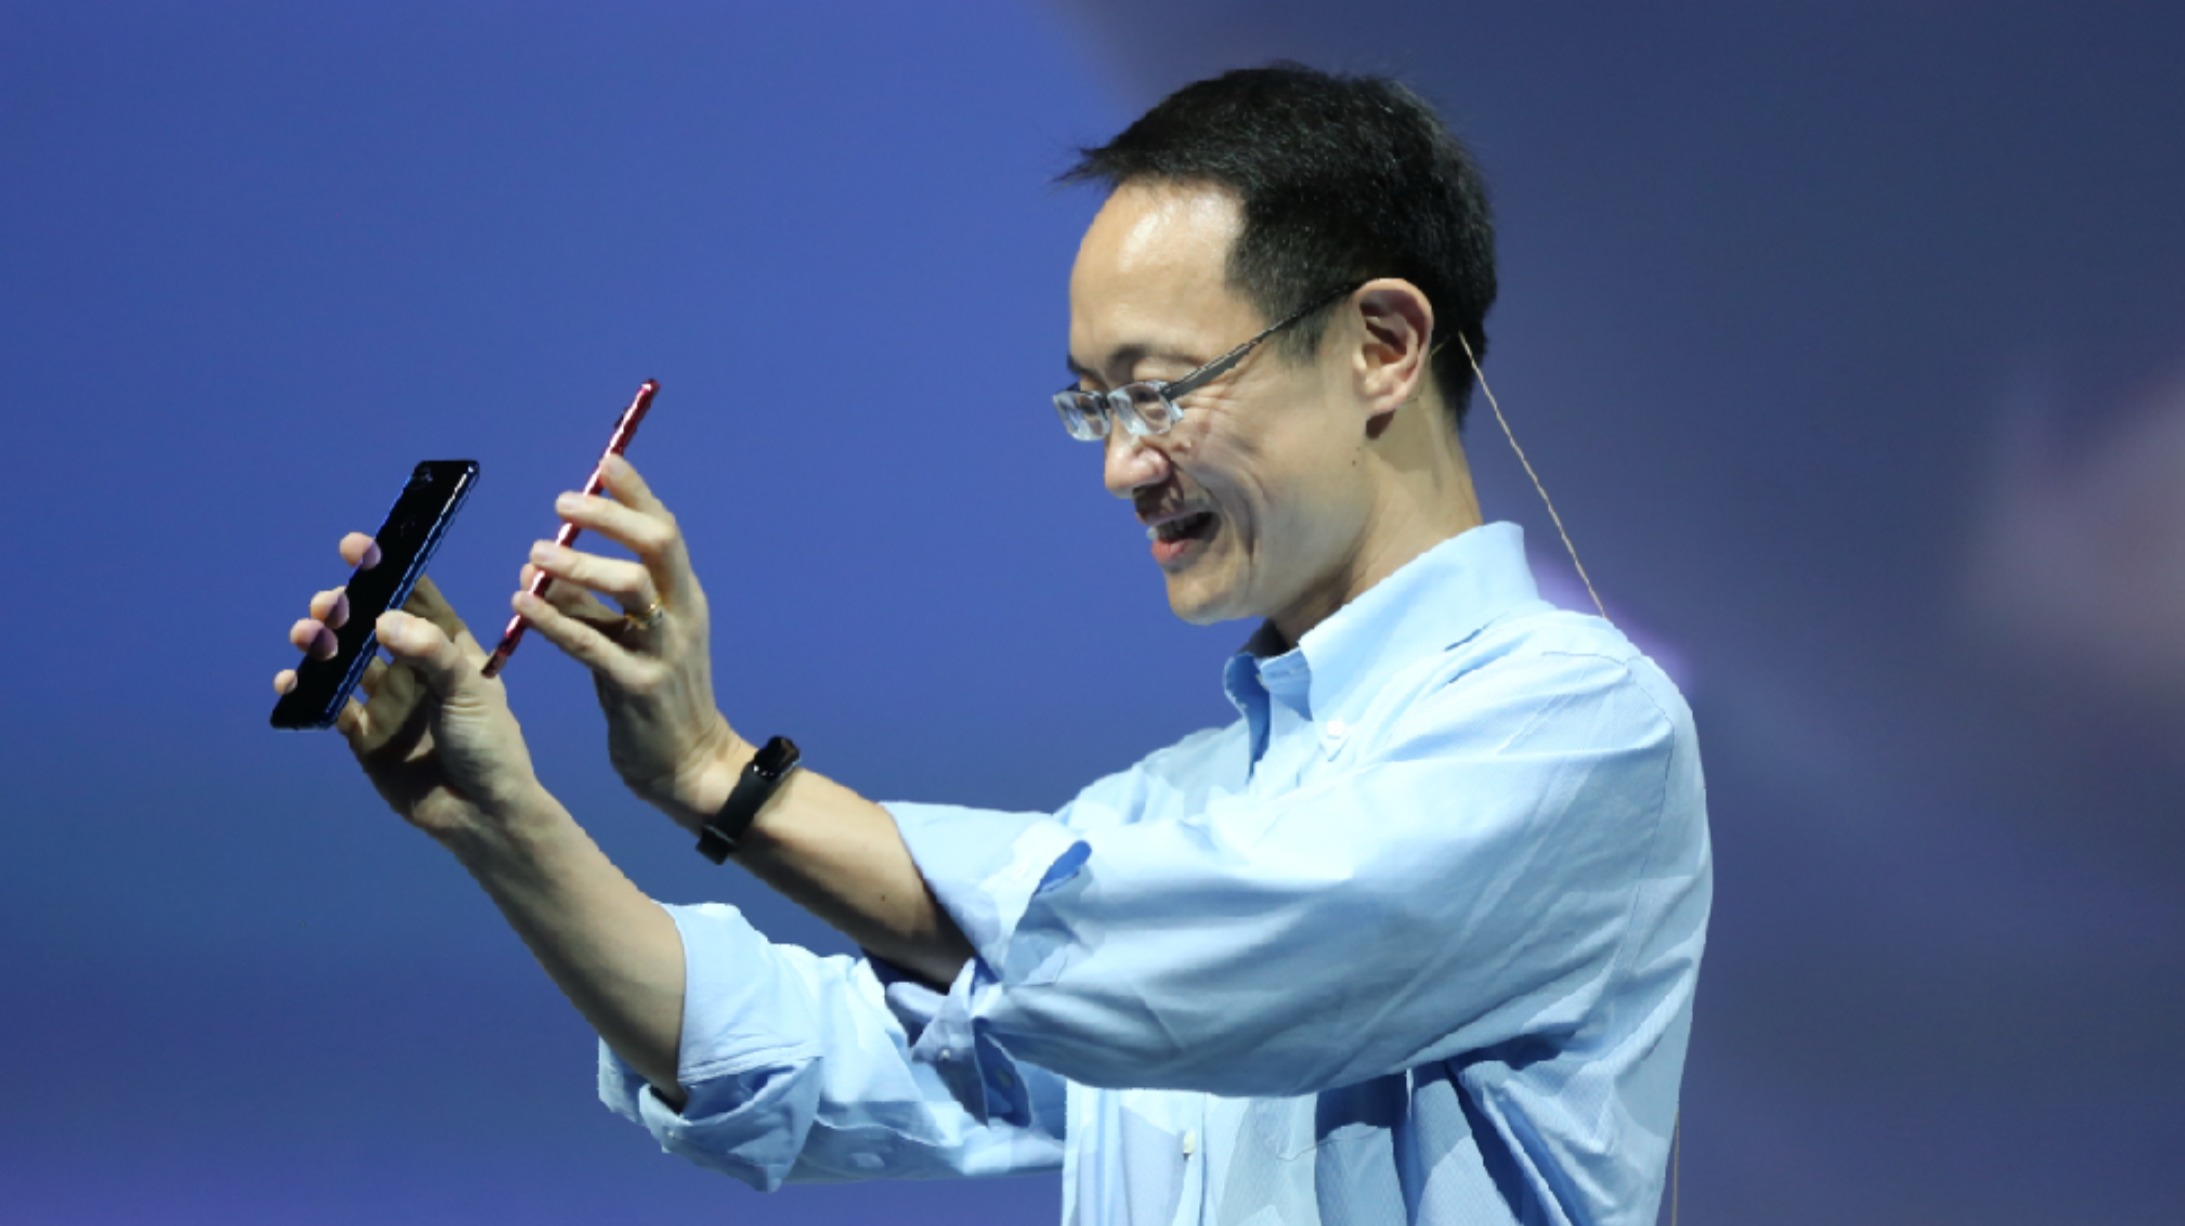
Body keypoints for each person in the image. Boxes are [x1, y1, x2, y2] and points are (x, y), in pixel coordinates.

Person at [277, 64, 1710, 1226]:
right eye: (1094, 406)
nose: (1122, 466)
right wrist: (501, 819)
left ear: (1381, 344)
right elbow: (816, 1065)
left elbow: (1156, 965)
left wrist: (717, 770)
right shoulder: (1174, 808)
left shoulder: (1581, 727)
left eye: (1160, 391)